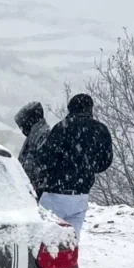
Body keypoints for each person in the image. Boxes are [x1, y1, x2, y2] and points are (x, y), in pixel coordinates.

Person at [36, 94, 113, 239]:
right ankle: (67, 261)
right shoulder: (100, 129)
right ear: (90, 108)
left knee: (45, 241)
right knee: (71, 242)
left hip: (55, 193)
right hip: (81, 195)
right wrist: (88, 166)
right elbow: (106, 161)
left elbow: (44, 158)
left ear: (70, 108)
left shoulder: (61, 127)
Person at [14, 101, 51, 196]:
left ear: (31, 121)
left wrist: (36, 189)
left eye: (22, 126)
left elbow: (43, 168)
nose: (22, 131)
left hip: (37, 193)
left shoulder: (43, 137)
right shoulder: (34, 137)